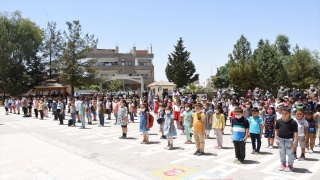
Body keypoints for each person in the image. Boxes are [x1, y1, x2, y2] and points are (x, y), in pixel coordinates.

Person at [275, 107, 298, 172]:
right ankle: (283, 163)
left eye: (286, 113)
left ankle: (290, 164)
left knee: (290, 152)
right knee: (282, 152)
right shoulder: (278, 121)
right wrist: (275, 138)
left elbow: (295, 132)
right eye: (283, 113)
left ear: (290, 113)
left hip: (289, 139)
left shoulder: (293, 122)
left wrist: (295, 141)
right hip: (280, 139)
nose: (284, 115)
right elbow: (276, 130)